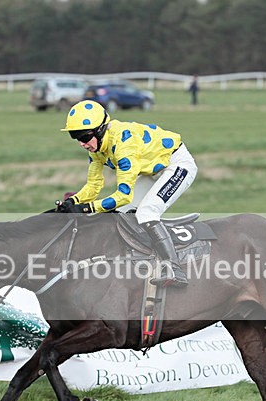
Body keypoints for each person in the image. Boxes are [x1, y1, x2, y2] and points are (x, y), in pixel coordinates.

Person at [57, 99, 197, 288]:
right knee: (120, 213)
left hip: (176, 165)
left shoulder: (124, 143)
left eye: (83, 136)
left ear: (100, 130)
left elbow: (124, 195)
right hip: (152, 171)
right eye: (75, 137)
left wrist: (87, 208)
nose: (81, 143)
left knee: (146, 213)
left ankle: (174, 269)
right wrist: (73, 201)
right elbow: (93, 185)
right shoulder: (97, 148)